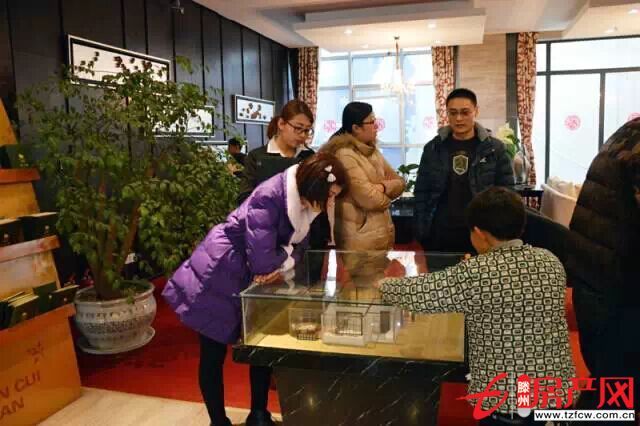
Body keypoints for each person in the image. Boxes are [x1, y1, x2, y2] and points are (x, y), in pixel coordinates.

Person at [162, 153, 347, 426]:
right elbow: (264, 263)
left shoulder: (303, 201)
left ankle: (259, 414)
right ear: (316, 186)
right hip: (220, 271)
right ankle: (218, 421)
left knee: (261, 344)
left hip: (248, 277)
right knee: (212, 352)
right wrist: (286, 255)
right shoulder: (269, 196)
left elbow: (301, 248)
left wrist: (284, 257)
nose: (331, 202)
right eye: (330, 195)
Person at [378, 187, 575, 425]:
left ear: (480, 234)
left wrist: (384, 283)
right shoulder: (550, 261)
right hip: (555, 392)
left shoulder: (477, 272)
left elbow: (421, 294)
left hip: (507, 400)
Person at [565, 118, 640, 414]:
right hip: (621, 289)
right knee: (617, 388)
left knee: (609, 384)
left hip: (597, 277)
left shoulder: (630, 132)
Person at [414, 88, 514, 253]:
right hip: (440, 231)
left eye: (465, 112)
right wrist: (421, 229)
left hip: (482, 233)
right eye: (453, 113)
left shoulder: (494, 149)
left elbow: (507, 193)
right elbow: (421, 191)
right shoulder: (433, 148)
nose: (458, 118)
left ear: (476, 111)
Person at [320, 101, 405, 255]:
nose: (376, 126)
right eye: (371, 122)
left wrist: (382, 187)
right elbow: (370, 199)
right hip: (358, 241)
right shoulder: (345, 154)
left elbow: (400, 182)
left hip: (380, 236)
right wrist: (387, 193)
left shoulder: (372, 151)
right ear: (356, 128)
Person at [237, 100, 315, 205]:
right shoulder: (256, 157)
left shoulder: (310, 156)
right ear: (281, 124)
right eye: (298, 128)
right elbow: (244, 197)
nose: (303, 135)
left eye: (307, 130)